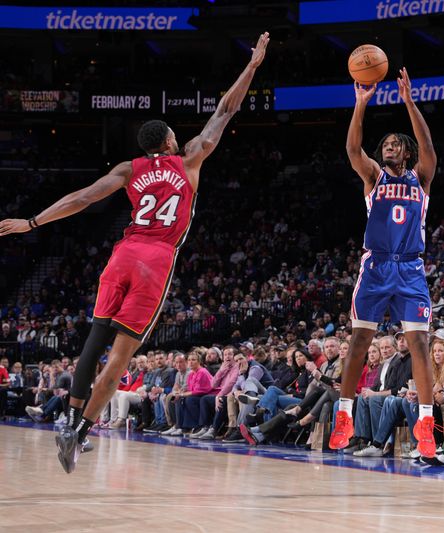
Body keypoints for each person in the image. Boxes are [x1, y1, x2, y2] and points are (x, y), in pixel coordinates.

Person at [0, 32, 271, 474]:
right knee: (121, 356)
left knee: (94, 337)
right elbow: (225, 109)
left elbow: (84, 198)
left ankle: (69, 420)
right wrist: (253, 65)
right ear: (167, 141)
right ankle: (80, 433)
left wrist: (31, 223)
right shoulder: (190, 161)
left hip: (123, 252)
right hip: (157, 259)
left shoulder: (129, 169)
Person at [329, 68, 439, 457]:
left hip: (410, 268)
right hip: (375, 267)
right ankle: (344, 414)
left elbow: (428, 147)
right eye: (386, 143)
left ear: (405, 152)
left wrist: (409, 102)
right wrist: (360, 104)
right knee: (359, 340)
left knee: (420, 346)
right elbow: (352, 151)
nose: (388, 147)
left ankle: (426, 421)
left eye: (395, 144)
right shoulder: (373, 177)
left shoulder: (420, 178)